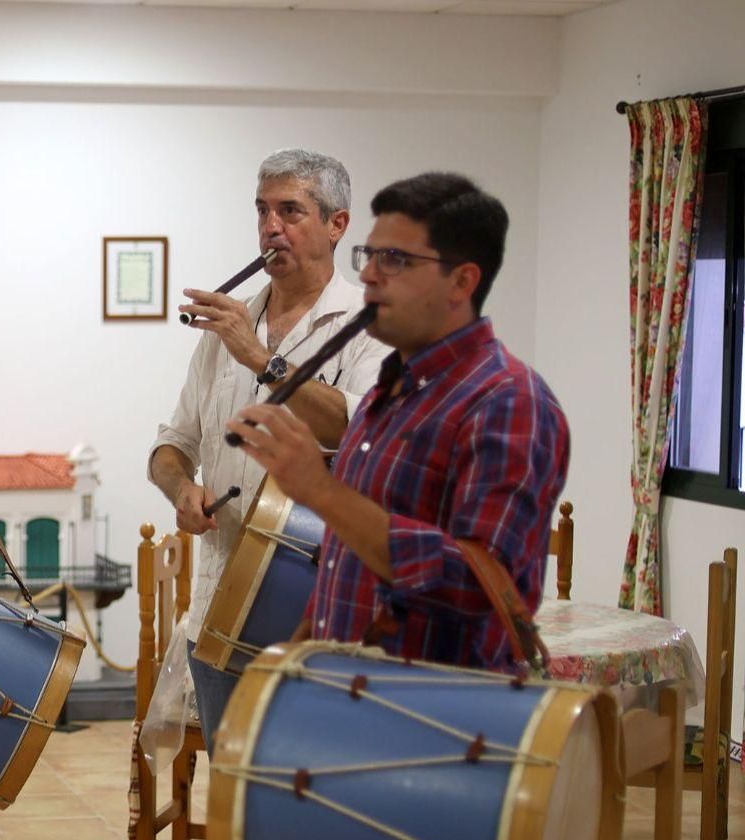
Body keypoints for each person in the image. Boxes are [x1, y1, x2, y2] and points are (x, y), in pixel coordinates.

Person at [227, 172, 569, 671]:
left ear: (461, 281)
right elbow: (348, 560)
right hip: (344, 705)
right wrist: (293, 660)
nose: (367, 276)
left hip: (433, 724)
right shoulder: (388, 393)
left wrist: (321, 491)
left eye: (395, 260)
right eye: (369, 256)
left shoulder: (508, 402)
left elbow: (481, 591)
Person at [147, 149, 389, 727]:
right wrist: (181, 489)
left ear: (338, 224)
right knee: (233, 789)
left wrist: (261, 358)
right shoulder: (227, 330)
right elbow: (171, 443)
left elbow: (362, 429)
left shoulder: (371, 325)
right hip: (221, 599)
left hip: (320, 603)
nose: (270, 228)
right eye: (262, 211)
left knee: (311, 787)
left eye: (290, 211)